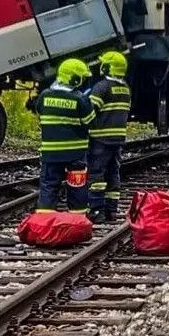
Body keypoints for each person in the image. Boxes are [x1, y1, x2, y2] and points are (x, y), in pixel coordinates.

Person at [34, 58, 96, 214]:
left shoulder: (44, 95)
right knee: (77, 186)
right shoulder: (80, 99)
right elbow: (90, 122)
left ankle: (45, 218)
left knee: (48, 185)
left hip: (50, 153)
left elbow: (39, 112)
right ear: (75, 79)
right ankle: (78, 217)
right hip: (75, 154)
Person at [86, 51, 131, 223]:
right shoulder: (125, 89)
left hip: (100, 139)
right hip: (117, 139)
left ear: (108, 68)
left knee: (96, 175)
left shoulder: (101, 87)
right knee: (113, 174)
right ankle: (111, 210)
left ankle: (97, 211)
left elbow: (90, 112)